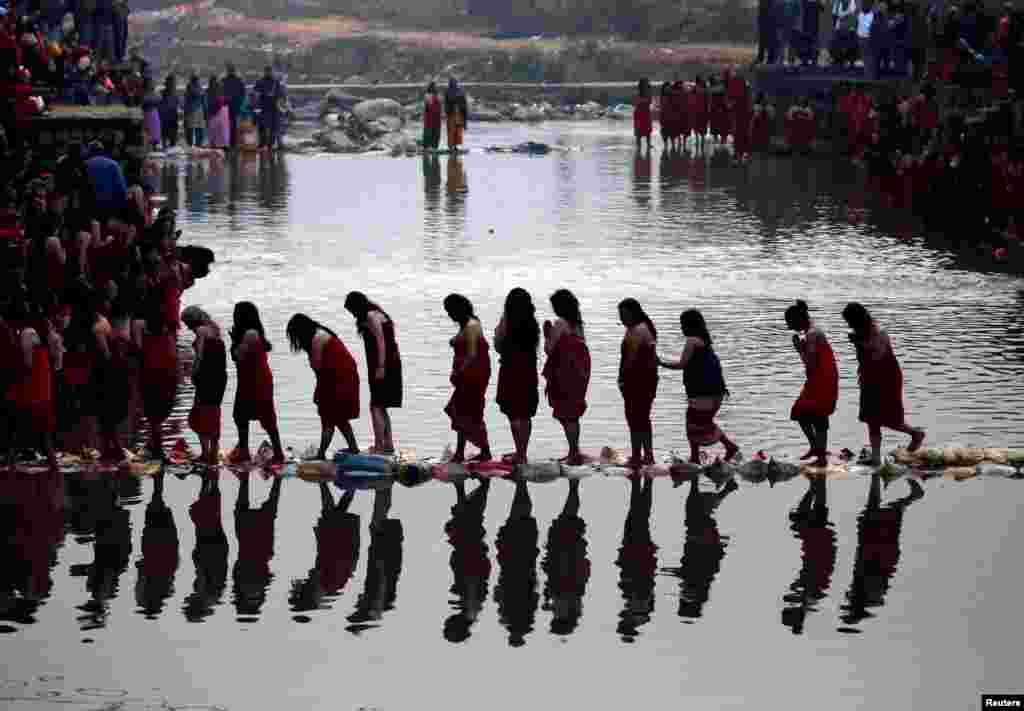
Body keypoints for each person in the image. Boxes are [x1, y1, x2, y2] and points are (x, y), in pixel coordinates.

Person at [841, 302, 925, 465]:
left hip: (887, 380)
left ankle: (915, 433)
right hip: (869, 378)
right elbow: (866, 359)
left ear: (858, 319)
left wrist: (860, 343)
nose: (849, 325)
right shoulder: (860, 333)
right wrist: (859, 342)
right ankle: (876, 458)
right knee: (871, 419)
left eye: (850, 322)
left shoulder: (879, 333)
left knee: (891, 419)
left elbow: (877, 358)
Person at [656, 309, 740, 464]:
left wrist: (661, 363)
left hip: (703, 393)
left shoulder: (692, 341)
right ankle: (727, 447)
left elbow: (682, 364)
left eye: (682, 325)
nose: (681, 328)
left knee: (693, 423)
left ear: (690, 325)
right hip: (717, 392)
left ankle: (702, 454)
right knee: (704, 422)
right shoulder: (705, 341)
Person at [286, 313, 360, 459]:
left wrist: (320, 392)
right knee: (338, 417)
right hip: (339, 376)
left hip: (339, 378)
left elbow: (317, 366)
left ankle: (321, 454)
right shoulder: (319, 335)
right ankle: (353, 448)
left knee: (328, 416)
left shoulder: (318, 339)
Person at [344, 291, 402, 454]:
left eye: (352, 310)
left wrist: (381, 367)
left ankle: (379, 446)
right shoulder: (377, 312)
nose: (353, 314)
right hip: (388, 363)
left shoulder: (370, 316)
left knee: (376, 405)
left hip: (383, 364)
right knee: (380, 405)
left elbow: (381, 342)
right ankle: (388, 444)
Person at [228, 301, 285, 464]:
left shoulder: (250, 334)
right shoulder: (250, 333)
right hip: (249, 378)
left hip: (256, 380)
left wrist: (233, 342)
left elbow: (238, 355)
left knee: (264, 416)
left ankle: (277, 452)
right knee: (241, 415)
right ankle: (245, 450)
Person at [785, 300, 838, 467]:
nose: (789, 327)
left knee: (817, 417)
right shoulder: (811, 333)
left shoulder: (813, 335)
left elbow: (811, 363)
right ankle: (816, 448)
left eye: (790, 323)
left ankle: (820, 455)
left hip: (823, 380)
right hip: (817, 379)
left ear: (798, 320)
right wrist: (802, 347)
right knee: (800, 412)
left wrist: (799, 349)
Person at [543, 289, 591, 466]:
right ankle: (574, 451)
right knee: (572, 412)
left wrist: (546, 333)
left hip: (565, 373)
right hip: (580, 372)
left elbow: (549, 350)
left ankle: (573, 452)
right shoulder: (577, 324)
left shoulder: (560, 323)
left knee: (567, 413)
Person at [443, 293, 492, 463]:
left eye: (450, 311)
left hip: (473, 377)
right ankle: (461, 452)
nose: (449, 315)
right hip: (467, 376)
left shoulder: (472, 325)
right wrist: (454, 340)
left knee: (469, 412)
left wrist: (458, 373)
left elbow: (471, 355)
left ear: (458, 310)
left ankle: (483, 451)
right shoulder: (467, 324)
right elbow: (464, 342)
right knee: (461, 412)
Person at [494, 288, 540, 464]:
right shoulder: (532, 323)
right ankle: (522, 452)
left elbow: (498, 345)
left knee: (513, 412)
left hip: (510, 369)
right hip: (528, 369)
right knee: (525, 412)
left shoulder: (506, 322)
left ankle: (519, 454)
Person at [182, 306, 228, 466]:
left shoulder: (201, 331)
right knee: (213, 412)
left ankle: (205, 454)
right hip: (220, 378)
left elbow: (200, 356)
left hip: (207, 377)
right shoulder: (214, 328)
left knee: (200, 414)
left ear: (192, 320)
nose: (187, 327)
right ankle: (213, 454)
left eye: (187, 323)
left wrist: (192, 373)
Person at [618, 298, 659, 466]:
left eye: (625, 314)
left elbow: (630, 360)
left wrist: (622, 381)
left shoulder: (637, 331)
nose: (622, 318)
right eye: (620, 315)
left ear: (635, 313)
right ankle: (647, 455)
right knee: (642, 418)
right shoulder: (641, 328)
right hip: (646, 381)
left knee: (635, 418)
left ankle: (637, 456)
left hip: (638, 382)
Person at [85, 142, 127, 221]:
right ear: (102, 151)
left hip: (89, 210)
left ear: (89, 152)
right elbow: (122, 189)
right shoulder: (113, 164)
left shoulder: (84, 164)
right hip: (110, 209)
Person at [255, 66, 283, 150]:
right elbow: (256, 92)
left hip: (270, 106)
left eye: (269, 71)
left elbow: (255, 92)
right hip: (266, 106)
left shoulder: (263, 81)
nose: (268, 73)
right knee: (264, 127)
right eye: (267, 71)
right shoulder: (274, 82)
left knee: (271, 127)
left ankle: (268, 144)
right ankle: (265, 144)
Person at [222, 63, 246, 148]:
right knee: (233, 124)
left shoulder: (224, 80)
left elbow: (220, 92)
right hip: (234, 105)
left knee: (227, 124)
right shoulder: (239, 80)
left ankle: (229, 141)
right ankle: (233, 142)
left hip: (228, 105)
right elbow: (243, 93)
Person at [444, 78, 468, 152]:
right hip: (455, 114)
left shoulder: (449, 91)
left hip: (455, 114)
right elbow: (464, 104)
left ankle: (453, 146)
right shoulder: (459, 91)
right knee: (455, 130)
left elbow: (447, 104)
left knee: (455, 131)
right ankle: (454, 146)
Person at [183, 74, 206, 148]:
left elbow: (201, 96)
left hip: (195, 110)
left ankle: (195, 145)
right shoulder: (192, 87)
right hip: (194, 110)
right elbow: (199, 95)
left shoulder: (193, 87)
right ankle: (195, 145)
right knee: (194, 129)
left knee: (195, 129)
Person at [159, 75, 179, 150]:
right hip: (166, 118)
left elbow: (177, 104)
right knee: (166, 137)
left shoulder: (174, 93)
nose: (173, 84)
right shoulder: (163, 93)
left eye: (174, 83)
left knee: (172, 138)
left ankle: (170, 150)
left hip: (172, 117)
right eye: (172, 83)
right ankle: (166, 149)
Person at [634, 78, 653, 152]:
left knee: (647, 130)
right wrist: (644, 100)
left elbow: (649, 101)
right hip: (639, 113)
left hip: (645, 112)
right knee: (639, 130)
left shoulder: (648, 93)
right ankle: (638, 145)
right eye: (645, 83)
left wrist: (644, 100)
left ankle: (648, 144)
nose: (646, 85)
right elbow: (637, 101)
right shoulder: (638, 93)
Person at [423, 81, 443, 151]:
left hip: (436, 118)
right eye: (435, 86)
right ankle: (428, 147)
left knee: (435, 132)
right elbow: (428, 107)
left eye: (436, 86)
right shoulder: (428, 96)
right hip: (430, 118)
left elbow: (440, 106)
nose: (436, 87)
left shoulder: (437, 95)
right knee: (429, 132)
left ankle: (433, 147)